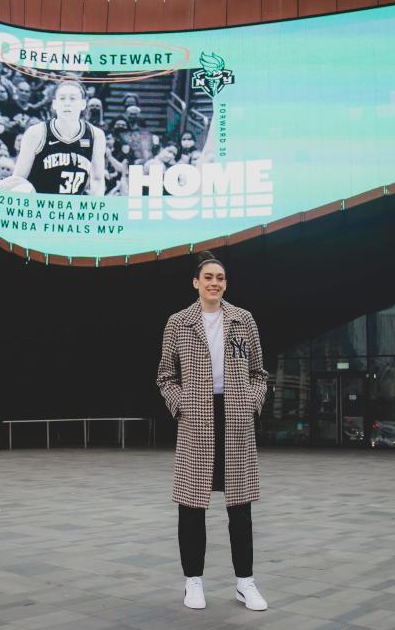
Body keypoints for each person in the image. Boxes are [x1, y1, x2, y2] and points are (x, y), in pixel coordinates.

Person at [156, 251, 269, 612]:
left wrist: (251, 403)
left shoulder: (243, 320)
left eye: (220, 277)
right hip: (197, 419)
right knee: (191, 507)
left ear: (226, 283)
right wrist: (183, 406)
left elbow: (260, 374)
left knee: (240, 507)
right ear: (196, 283)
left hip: (236, 419)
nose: (214, 283)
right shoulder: (178, 322)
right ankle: (193, 582)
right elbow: (165, 376)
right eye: (208, 277)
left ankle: (245, 583)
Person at [0, 80, 105, 196]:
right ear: (54, 104)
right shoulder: (36, 132)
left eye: (73, 98)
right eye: (62, 98)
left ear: (83, 104)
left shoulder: (96, 135)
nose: (67, 103)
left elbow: (97, 180)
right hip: (40, 206)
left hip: (73, 209)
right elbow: (18, 180)